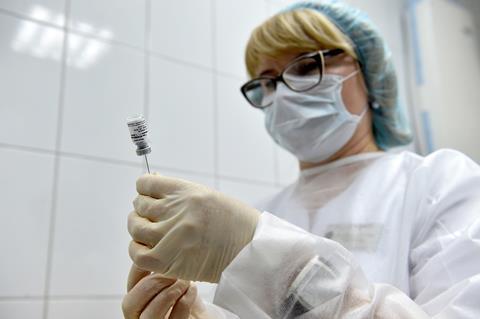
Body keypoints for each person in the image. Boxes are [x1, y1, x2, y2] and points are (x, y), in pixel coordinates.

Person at [122, 1, 480, 318]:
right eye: (268, 82)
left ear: (368, 75)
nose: (284, 94)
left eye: (307, 67)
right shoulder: (263, 214)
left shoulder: (439, 185)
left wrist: (270, 260)